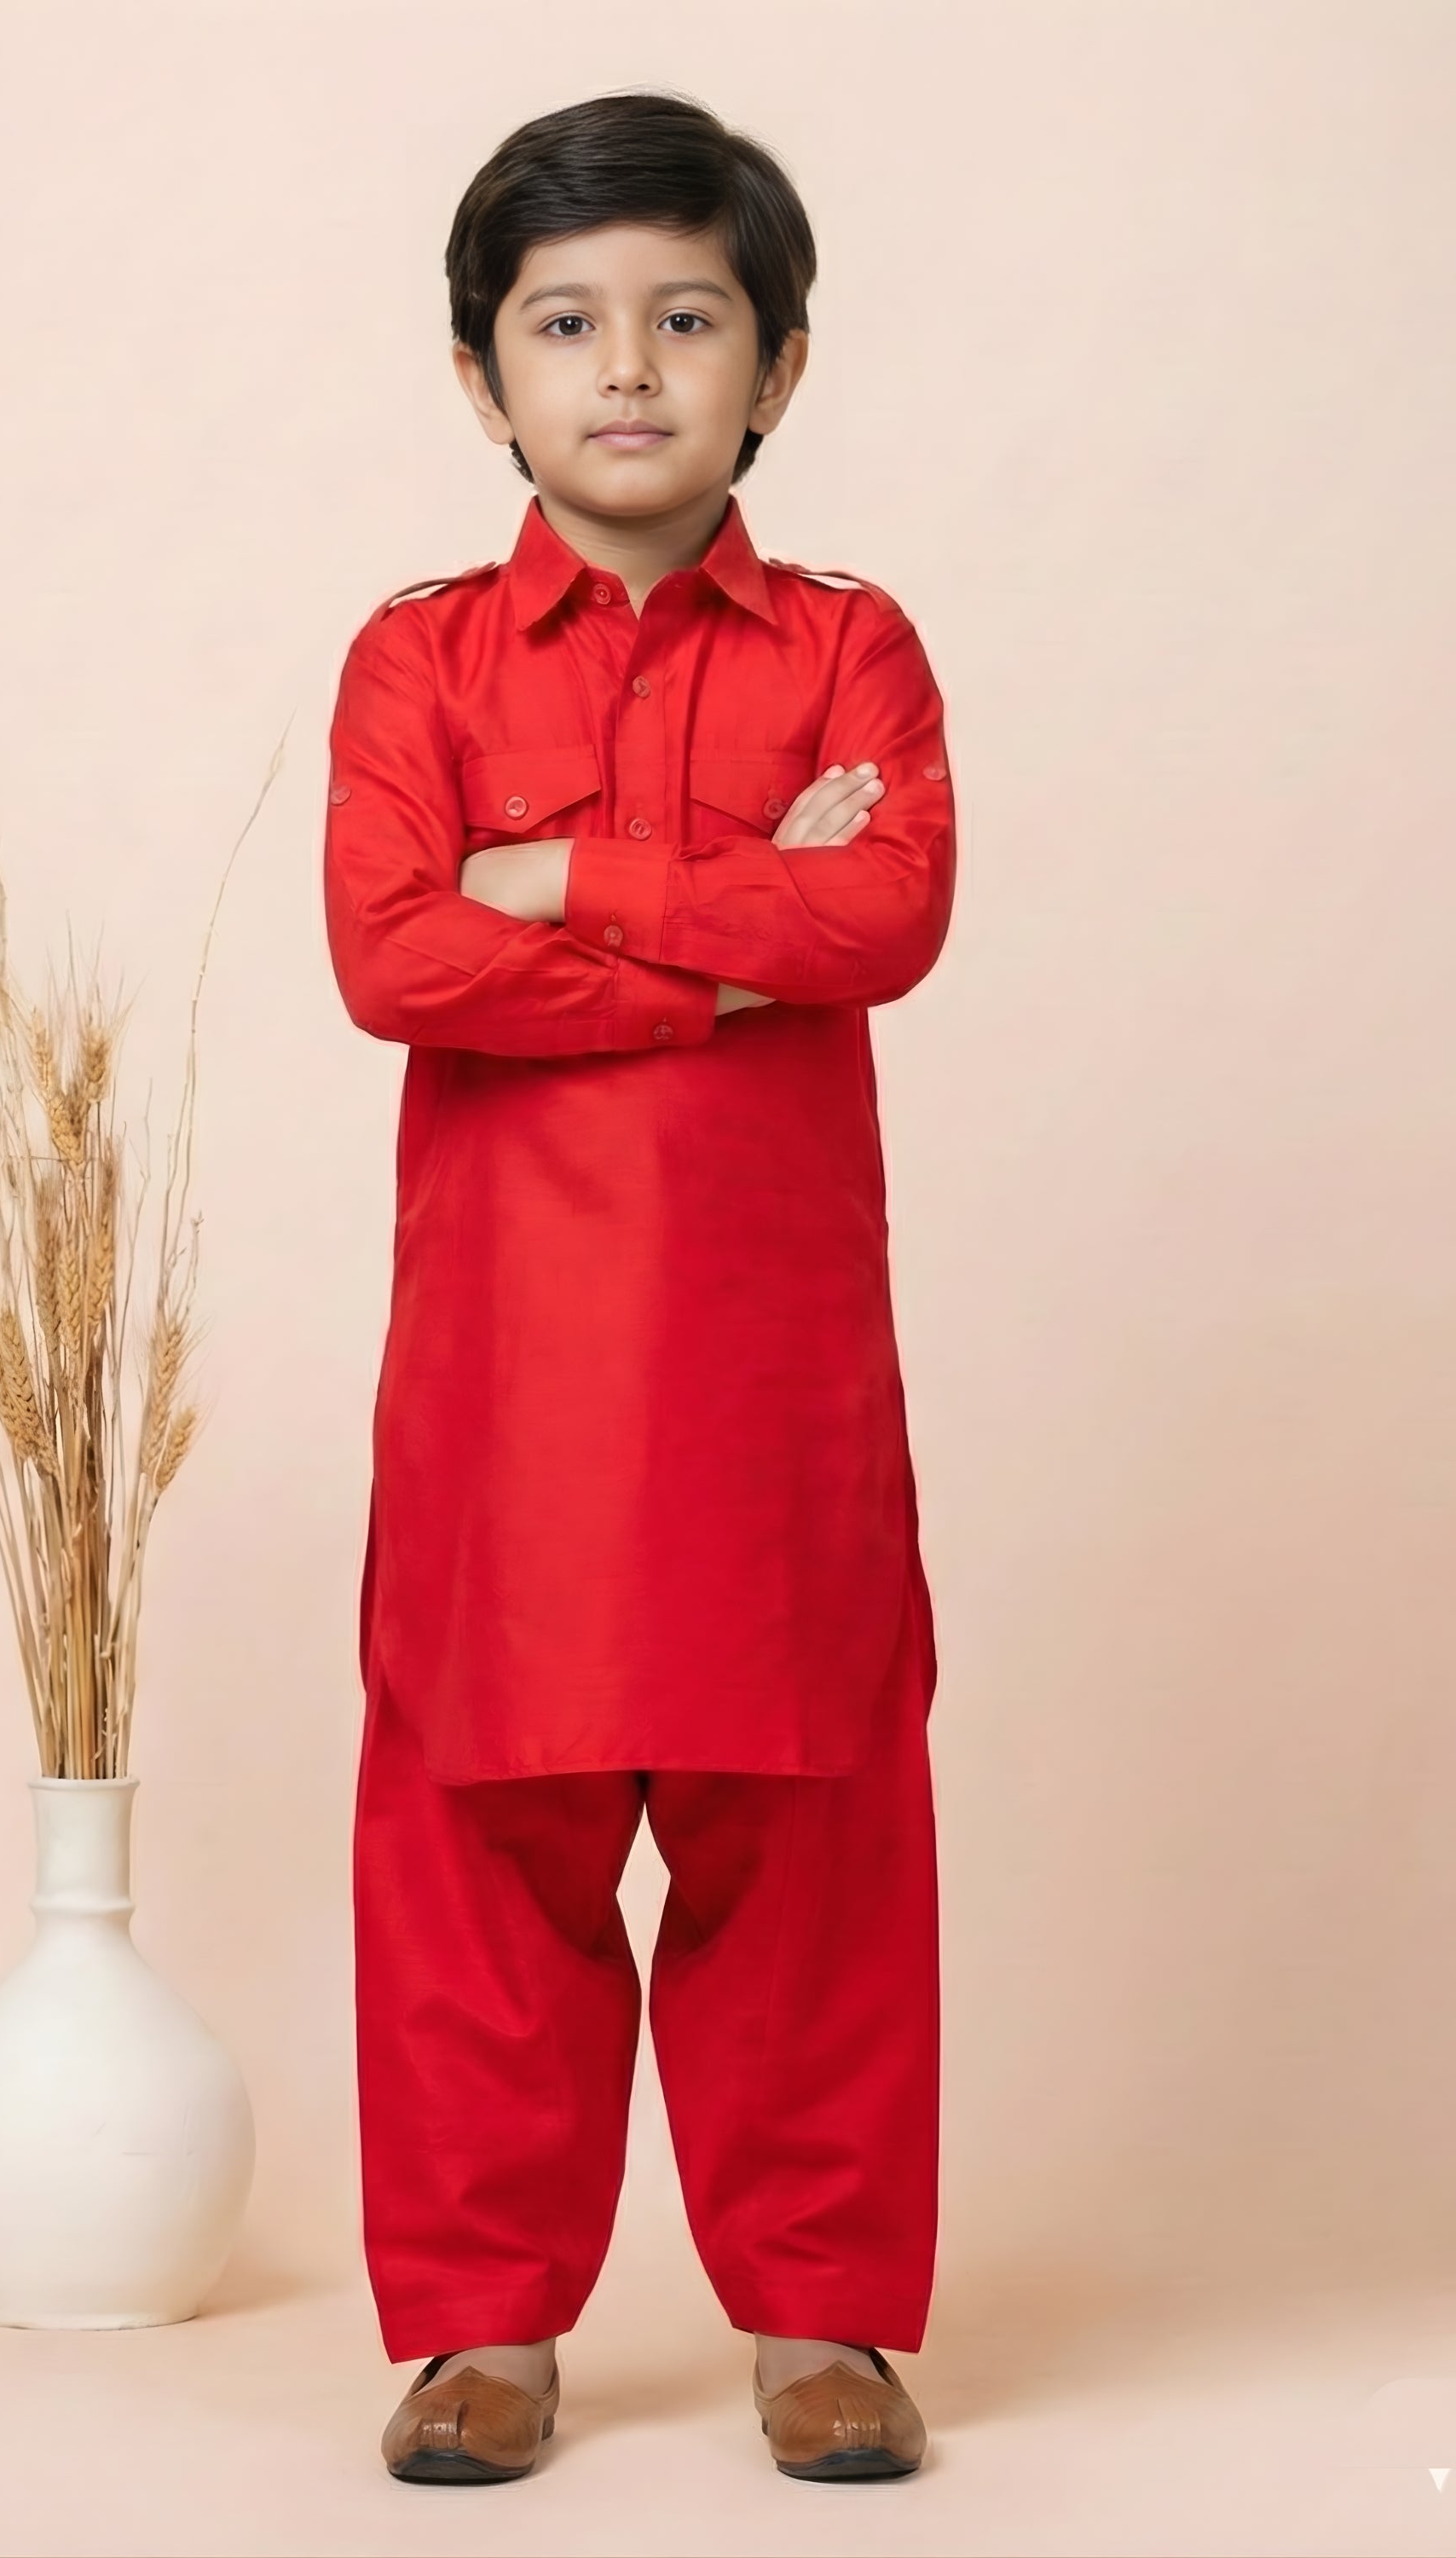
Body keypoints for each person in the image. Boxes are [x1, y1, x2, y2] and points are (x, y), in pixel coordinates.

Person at [321, 89, 958, 2486]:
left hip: (777, 1376)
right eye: (563, 322)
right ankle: (480, 2330)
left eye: (687, 319)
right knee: (481, 1843)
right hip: (510, 1384)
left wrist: (568, 883)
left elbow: (888, 913)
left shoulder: (853, 646)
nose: (625, 369)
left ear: (776, 366)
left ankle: (826, 2320)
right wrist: (731, 954)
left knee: (815, 1844)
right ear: (481, 377)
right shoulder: (417, 663)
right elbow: (393, 959)